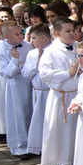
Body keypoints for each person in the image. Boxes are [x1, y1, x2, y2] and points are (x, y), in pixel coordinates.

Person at [39, 18, 81, 165]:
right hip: (61, 98)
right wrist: (67, 74)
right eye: (68, 31)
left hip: (78, 96)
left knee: (77, 134)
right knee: (63, 135)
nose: (72, 34)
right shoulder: (50, 52)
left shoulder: (78, 47)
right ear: (57, 34)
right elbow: (45, 74)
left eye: (73, 30)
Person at [0, 22, 34, 158]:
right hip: (16, 85)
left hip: (30, 82)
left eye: (21, 33)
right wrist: (14, 60)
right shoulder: (1, 49)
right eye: (17, 34)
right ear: (7, 37)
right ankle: (21, 146)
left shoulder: (28, 46)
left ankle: (34, 144)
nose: (21, 36)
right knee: (19, 114)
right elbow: (5, 72)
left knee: (31, 111)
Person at [22, 25, 52, 158]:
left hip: (50, 91)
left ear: (44, 37)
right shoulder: (32, 53)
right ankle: (36, 147)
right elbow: (26, 73)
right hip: (37, 91)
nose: (31, 41)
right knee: (37, 121)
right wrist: (36, 64)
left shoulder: (52, 51)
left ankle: (49, 148)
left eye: (34, 38)